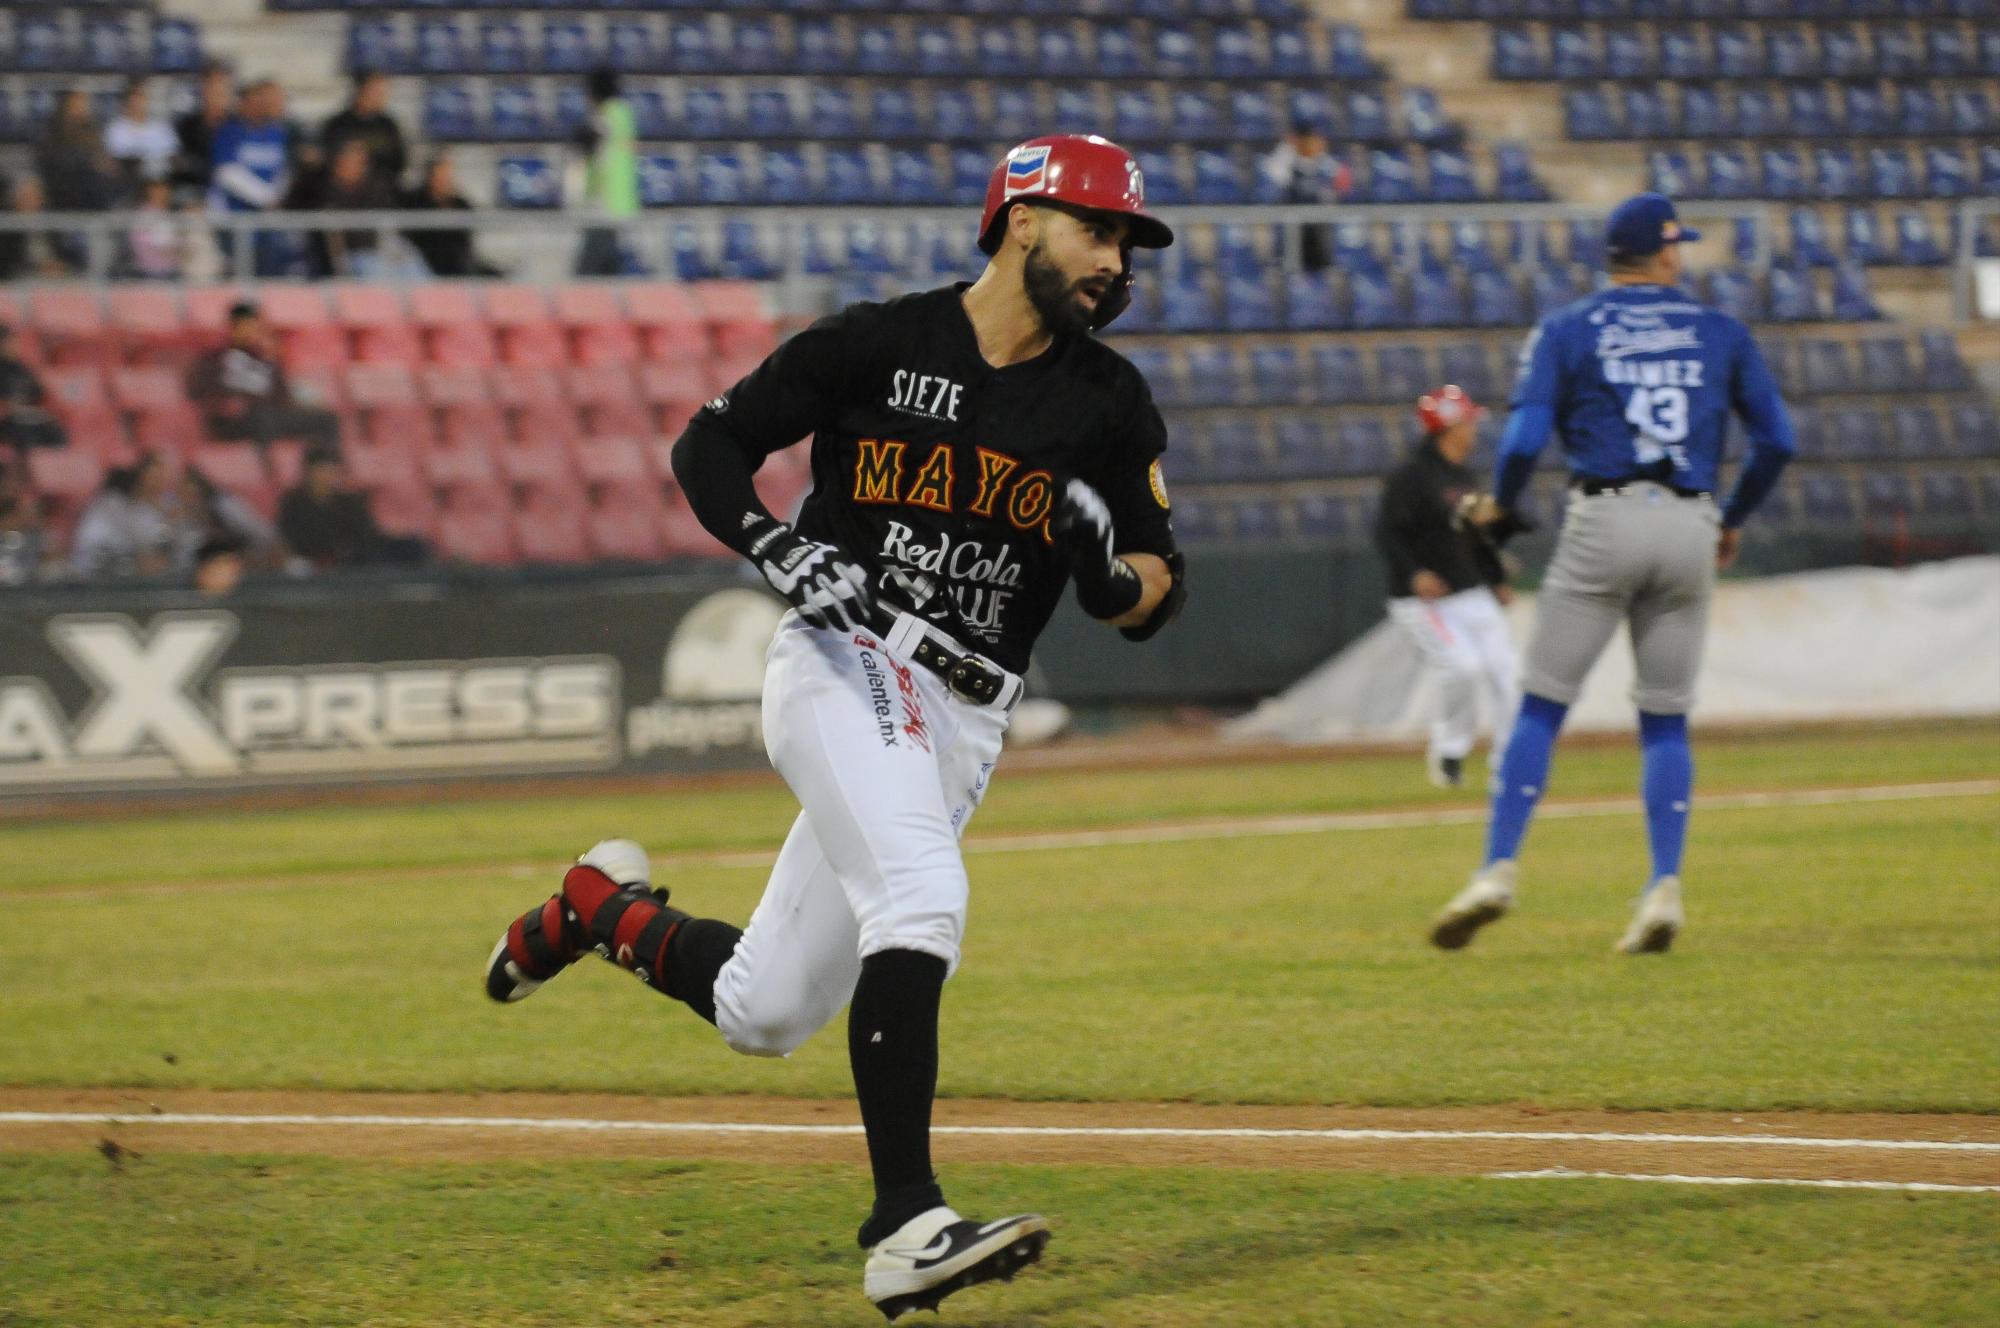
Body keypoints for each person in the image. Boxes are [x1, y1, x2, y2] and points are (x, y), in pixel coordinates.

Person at [481, 133, 1187, 1319]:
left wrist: (1102, 573)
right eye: (1097, 228)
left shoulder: (1107, 400)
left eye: (1126, 241)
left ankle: (596, 906)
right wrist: (773, 543)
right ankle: (904, 1221)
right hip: (843, 654)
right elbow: (709, 443)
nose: (1117, 260)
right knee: (919, 898)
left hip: (963, 714)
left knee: (765, 1008)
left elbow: (1159, 592)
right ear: (1019, 221)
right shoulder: (881, 341)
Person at [1429, 193, 1796, 956]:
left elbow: (1527, 435)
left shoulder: (1569, 327)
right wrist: (1730, 518)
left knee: (1540, 709)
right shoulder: (1720, 331)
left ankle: (1498, 870)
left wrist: (1501, 502)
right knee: (1664, 718)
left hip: (1604, 517)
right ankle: (1664, 885)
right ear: (1665, 255)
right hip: (1690, 521)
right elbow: (1777, 442)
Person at [1373, 385, 1523, 790]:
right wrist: (1414, 573)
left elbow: (1475, 533)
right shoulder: (1412, 476)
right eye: (1468, 420)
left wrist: (1495, 577)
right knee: (1463, 667)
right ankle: (1450, 749)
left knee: (1505, 672)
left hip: (1471, 592)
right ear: (1448, 426)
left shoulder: (1463, 473)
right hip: (1424, 601)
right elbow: (1386, 533)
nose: (1474, 428)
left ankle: (1510, 765)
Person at [187, 302, 341, 454]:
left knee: (327, 419)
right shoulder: (215, 358)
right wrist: (226, 403)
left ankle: (328, 467)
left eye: (255, 326)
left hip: (270, 416)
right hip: (233, 421)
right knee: (261, 418)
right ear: (233, 326)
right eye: (246, 325)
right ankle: (269, 473)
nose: (251, 331)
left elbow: (282, 395)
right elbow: (199, 390)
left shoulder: (266, 360)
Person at [277, 449, 424, 569]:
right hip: (328, 561)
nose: (326, 477)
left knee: (413, 546)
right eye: (321, 471)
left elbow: (368, 534)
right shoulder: (294, 503)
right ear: (309, 473)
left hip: (359, 553)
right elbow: (293, 541)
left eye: (330, 471)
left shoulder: (348, 501)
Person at [207, 79, 296, 277]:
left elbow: (283, 170)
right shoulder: (230, 132)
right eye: (256, 101)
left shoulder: (277, 133)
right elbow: (226, 173)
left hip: (267, 224)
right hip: (235, 222)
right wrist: (267, 197)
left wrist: (277, 196)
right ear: (244, 103)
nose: (261, 106)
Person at [571, 68, 638, 276]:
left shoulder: (603, 117)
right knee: (609, 267)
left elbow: (588, 148)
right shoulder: (624, 115)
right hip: (622, 199)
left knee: (587, 272)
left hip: (604, 201)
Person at [70, 454, 179, 579]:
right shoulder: (111, 502)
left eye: (161, 477)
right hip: (91, 570)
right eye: (152, 477)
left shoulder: (154, 508)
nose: (156, 483)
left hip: (125, 569)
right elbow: (136, 539)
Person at [1259, 122, 1349, 271]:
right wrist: (1289, 148)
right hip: (1292, 224)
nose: (1315, 143)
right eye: (1310, 139)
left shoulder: (1323, 161)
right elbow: (1274, 173)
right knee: (1291, 265)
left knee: (1321, 264)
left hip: (1316, 224)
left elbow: (1341, 179)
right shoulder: (1285, 160)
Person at [401, 154, 499, 277]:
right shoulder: (415, 202)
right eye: (440, 177)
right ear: (430, 177)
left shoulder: (461, 204)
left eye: (447, 176)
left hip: (458, 263)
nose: (445, 181)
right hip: (425, 261)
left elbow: (466, 240)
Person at [319, 71, 408, 192]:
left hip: (381, 192)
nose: (382, 96)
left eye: (383, 92)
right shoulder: (338, 124)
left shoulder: (388, 125)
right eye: (377, 91)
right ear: (362, 90)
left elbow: (399, 162)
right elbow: (327, 159)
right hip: (341, 191)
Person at [35, 89, 119, 213]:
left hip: (90, 187)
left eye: (82, 105)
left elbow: (102, 157)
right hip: (63, 184)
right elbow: (52, 159)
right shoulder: (53, 132)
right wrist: (88, 162)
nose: (80, 109)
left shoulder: (92, 132)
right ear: (65, 106)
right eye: (75, 105)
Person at [0, 325, 68, 458]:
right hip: (8, 420)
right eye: (8, 342)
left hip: (27, 415)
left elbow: (37, 392)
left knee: (54, 430)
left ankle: (57, 471)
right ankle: (31, 472)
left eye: (14, 341)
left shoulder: (21, 367)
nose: (14, 346)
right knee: (24, 433)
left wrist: (30, 406)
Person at [104, 78, 178, 191]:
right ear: (126, 100)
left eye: (140, 97)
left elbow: (172, 157)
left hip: (158, 183)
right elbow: (114, 160)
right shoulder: (115, 129)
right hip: (125, 181)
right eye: (133, 97)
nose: (137, 103)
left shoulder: (161, 127)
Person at [172, 64, 234, 192]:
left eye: (219, 90)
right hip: (194, 189)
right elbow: (180, 162)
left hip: (231, 191)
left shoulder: (238, 124)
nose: (215, 96)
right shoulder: (186, 125)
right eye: (210, 89)